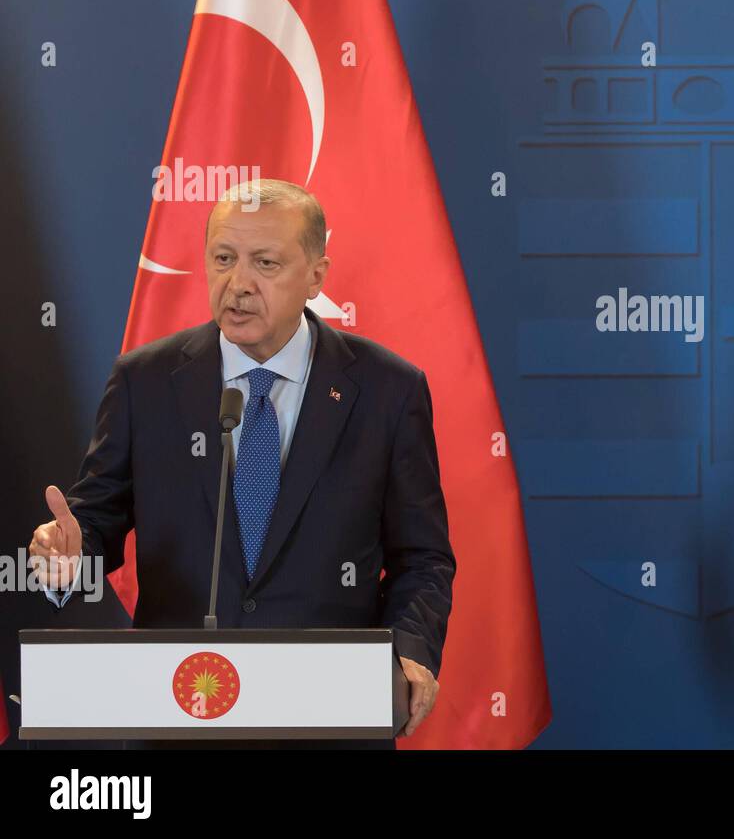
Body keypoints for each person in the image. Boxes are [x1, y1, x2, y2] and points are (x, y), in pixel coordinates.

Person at [28, 179, 455, 744]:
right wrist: (69, 557)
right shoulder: (145, 380)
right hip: (182, 712)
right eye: (223, 258)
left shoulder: (388, 390)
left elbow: (422, 557)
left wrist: (409, 648)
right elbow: (95, 521)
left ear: (316, 276)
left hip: (329, 715)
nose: (238, 284)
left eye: (265, 263)